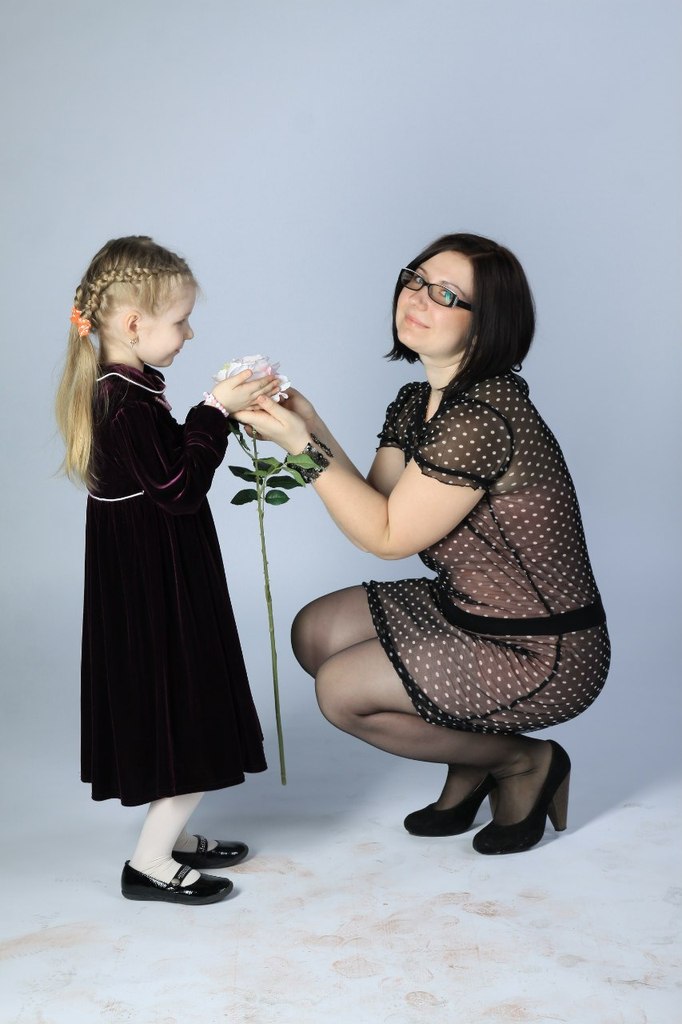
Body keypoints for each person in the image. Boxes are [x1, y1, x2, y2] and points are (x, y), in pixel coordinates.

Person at [235, 232, 610, 856]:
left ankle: (521, 761)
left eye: (447, 295)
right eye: (416, 279)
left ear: (487, 324)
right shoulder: (420, 402)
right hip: (469, 610)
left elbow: (387, 538)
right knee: (315, 633)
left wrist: (298, 445)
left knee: (341, 692)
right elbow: (377, 505)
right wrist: (305, 419)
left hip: (541, 647)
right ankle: (472, 753)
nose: (417, 297)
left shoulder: (481, 418)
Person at [56, 236, 281, 902]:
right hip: (157, 587)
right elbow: (180, 488)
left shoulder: (124, 387)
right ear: (134, 325)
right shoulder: (126, 403)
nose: (189, 333)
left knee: (175, 709)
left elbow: (164, 471)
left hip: (150, 574)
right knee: (189, 712)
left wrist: (214, 415)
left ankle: (173, 836)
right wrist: (214, 409)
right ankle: (150, 862)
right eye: (181, 321)